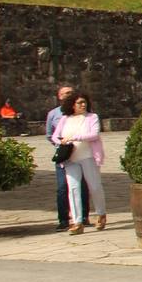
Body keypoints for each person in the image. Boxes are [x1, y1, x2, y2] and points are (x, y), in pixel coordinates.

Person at [50, 91, 107, 234]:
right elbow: (56, 136)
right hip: (70, 158)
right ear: (72, 105)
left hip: (87, 156)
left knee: (94, 186)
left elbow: (94, 134)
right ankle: (77, 221)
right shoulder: (65, 119)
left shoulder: (92, 117)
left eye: (84, 102)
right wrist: (62, 140)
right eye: (80, 102)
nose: (83, 105)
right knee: (73, 188)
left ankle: (101, 213)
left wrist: (74, 137)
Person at [45, 85, 87, 231]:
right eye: (65, 93)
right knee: (63, 187)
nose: (68, 95)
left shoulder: (83, 112)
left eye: (71, 92)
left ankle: (83, 217)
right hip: (64, 154)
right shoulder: (53, 114)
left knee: (81, 185)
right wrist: (61, 145)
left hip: (80, 152)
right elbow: (50, 135)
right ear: (59, 96)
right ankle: (63, 219)